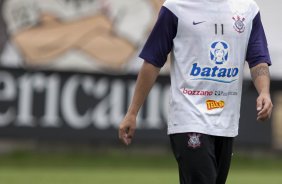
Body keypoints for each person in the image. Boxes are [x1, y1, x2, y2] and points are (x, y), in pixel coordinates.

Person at [119, 0, 273, 184]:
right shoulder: (175, 7)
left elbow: (258, 60)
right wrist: (132, 112)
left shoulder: (248, 9)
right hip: (188, 117)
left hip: (226, 121)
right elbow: (152, 61)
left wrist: (264, 92)